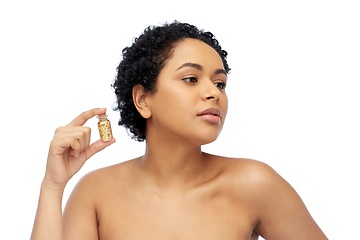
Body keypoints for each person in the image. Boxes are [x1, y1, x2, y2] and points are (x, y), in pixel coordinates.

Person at [31, 21, 327, 240]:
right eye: (190, 78)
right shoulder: (95, 192)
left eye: (220, 83)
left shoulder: (255, 184)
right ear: (143, 100)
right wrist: (53, 185)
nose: (214, 93)